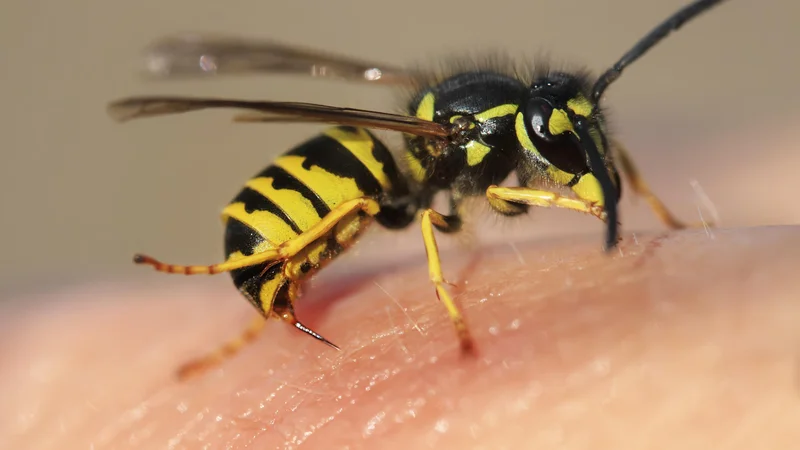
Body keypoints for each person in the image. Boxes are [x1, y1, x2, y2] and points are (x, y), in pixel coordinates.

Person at [3, 119, 799, 449]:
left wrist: (649, 211)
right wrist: (450, 306)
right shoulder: (448, 160)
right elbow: (412, 215)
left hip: (358, 193)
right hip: (322, 202)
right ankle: (245, 277)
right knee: (369, 194)